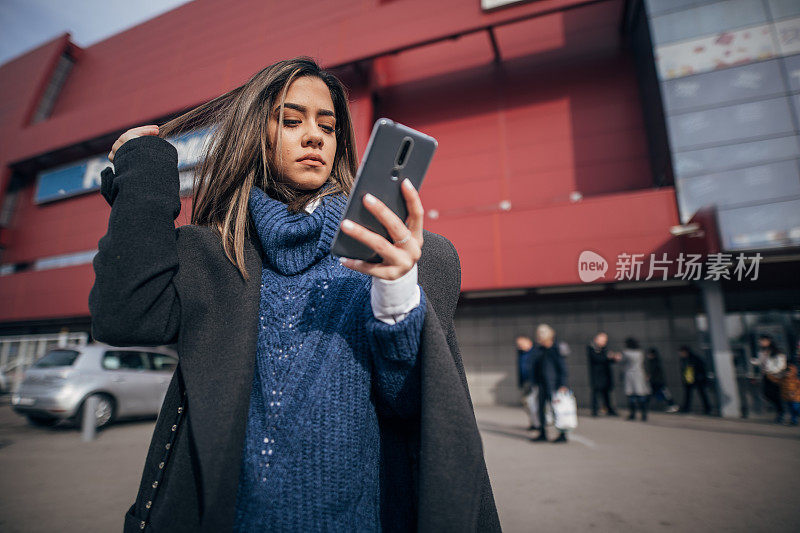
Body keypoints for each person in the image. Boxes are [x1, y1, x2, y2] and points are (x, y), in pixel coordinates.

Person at [89, 57, 500, 532]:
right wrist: (144, 171)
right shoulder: (211, 254)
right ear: (253, 135)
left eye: (328, 126)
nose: (314, 136)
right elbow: (124, 317)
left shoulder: (385, 260)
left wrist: (396, 291)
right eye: (291, 120)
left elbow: (410, 407)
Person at [530, 324, 570, 443]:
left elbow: (563, 368)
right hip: (541, 384)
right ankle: (542, 432)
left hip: (555, 385)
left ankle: (562, 434)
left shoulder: (556, 349)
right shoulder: (539, 350)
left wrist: (563, 384)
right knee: (541, 409)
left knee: (557, 410)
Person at [751, 334, 787, 424]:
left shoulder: (777, 352)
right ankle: (780, 410)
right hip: (766, 376)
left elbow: (781, 365)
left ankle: (781, 413)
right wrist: (755, 362)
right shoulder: (762, 352)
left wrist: (772, 370)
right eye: (760, 341)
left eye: (762, 341)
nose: (760, 343)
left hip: (775, 376)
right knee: (766, 393)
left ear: (768, 341)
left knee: (775, 394)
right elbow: (762, 362)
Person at [586, 331, 620, 416]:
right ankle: (595, 410)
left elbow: (608, 359)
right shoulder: (592, 348)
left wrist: (614, 358)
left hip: (606, 374)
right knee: (596, 393)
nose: (604, 343)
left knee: (607, 393)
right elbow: (597, 359)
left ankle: (609, 409)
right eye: (603, 340)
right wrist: (608, 357)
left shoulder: (604, 348)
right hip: (597, 375)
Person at [620, 338, 651, 421]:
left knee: (631, 395)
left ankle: (633, 414)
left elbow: (622, 361)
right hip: (640, 374)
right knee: (641, 394)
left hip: (630, 375)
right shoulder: (640, 352)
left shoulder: (626, 352)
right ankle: (644, 414)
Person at [678, 346, 712, 415]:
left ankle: (707, 408)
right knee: (688, 394)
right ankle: (686, 408)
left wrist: (701, 376)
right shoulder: (684, 359)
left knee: (702, 394)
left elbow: (701, 368)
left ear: (685, 352)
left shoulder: (694, 358)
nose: (681, 354)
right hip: (689, 379)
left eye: (681, 352)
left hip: (697, 379)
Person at [645, 348, 679, 413]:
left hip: (657, 382)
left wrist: (649, 377)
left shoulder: (654, 362)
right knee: (650, 394)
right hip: (656, 382)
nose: (648, 355)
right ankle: (644, 407)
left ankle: (673, 405)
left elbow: (653, 372)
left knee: (663, 394)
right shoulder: (655, 361)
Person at [516, 335, 538, 430]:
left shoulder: (535, 352)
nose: (519, 346)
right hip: (525, 382)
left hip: (534, 382)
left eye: (521, 344)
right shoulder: (521, 354)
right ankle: (533, 422)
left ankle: (538, 424)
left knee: (533, 404)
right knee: (527, 404)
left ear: (528, 341)